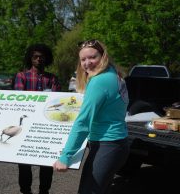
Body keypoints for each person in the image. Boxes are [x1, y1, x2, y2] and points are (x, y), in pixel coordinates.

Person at [53, 39, 129, 194]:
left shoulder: (99, 81)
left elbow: (83, 123)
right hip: (117, 143)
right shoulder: (113, 74)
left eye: (92, 57)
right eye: (83, 59)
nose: (88, 63)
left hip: (107, 145)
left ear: (103, 56)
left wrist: (66, 156)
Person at [14, 43, 61, 194]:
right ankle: (25, 191)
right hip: (26, 126)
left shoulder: (52, 78)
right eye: (35, 57)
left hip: (46, 127)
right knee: (24, 163)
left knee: (47, 163)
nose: (39, 59)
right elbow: (20, 101)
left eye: (42, 57)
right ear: (30, 58)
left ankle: (44, 191)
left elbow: (57, 103)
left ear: (46, 59)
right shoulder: (22, 76)